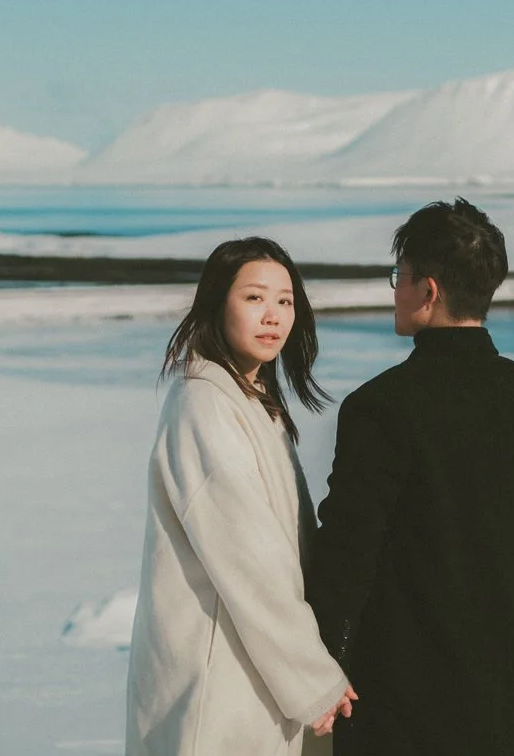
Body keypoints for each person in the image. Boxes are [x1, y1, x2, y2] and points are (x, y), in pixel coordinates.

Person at [307, 198, 514, 756]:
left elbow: (344, 562)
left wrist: (313, 674)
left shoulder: (380, 408)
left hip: (395, 704)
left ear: (428, 291)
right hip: (503, 696)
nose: (395, 291)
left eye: (399, 277)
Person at [126, 237, 358, 756]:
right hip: (219, 676)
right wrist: (312, 677)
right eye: (254, 298)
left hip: (251, 665)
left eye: (285, 301)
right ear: (217, 304)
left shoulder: (251, 400)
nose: (273, 316)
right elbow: (250, 557)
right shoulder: (205, 406)